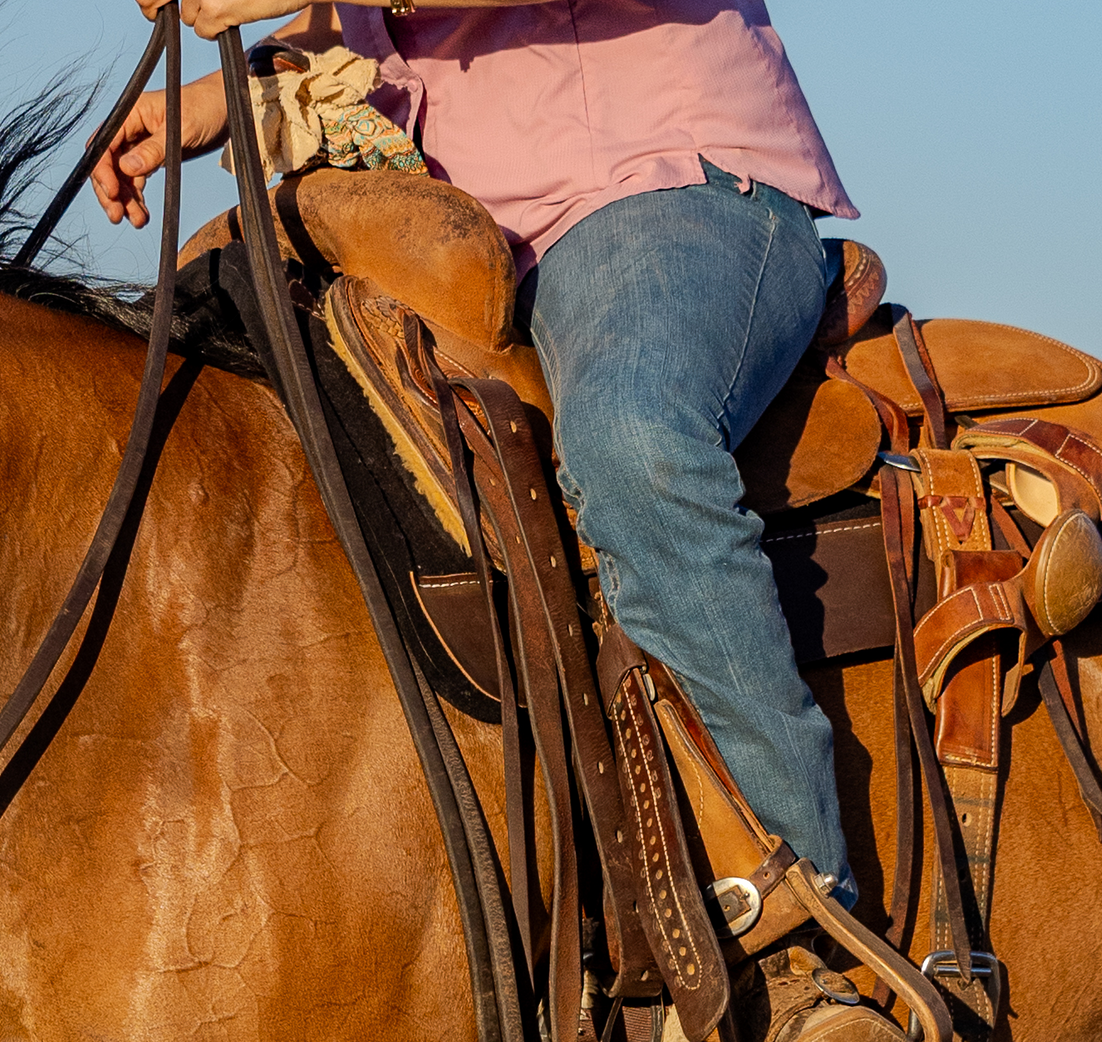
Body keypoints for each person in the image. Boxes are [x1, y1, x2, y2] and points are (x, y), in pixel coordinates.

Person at [93, 0, 861, 910]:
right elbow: (397, 46)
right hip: (455, 247)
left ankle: (806, 913)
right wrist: (228, 92)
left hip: (657, 190)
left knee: (631, 441)